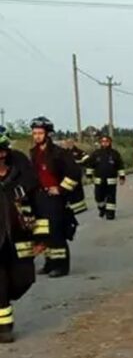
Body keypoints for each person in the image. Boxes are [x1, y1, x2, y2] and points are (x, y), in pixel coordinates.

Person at [0, 126, 39, 342]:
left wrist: (43, 237)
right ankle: (4, 328)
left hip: (20, 237)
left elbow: (37, 199)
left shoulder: (21, 170)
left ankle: (6, 297)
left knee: (23, 279)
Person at [29, 117, 81, 278]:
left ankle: (61, 266)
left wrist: (60, 189)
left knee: (56, 232)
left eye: (40, 133)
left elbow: (74, 174)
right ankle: (49, 263)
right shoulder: (33, 153)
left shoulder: (59, 153)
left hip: (54, 199)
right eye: (34, 133)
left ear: (48, 134)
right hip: (39, 197)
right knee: (43, 232)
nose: (37, 136)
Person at [86, 134, 126, 219]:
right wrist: (89, 176)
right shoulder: (96, 154)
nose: (105, 143)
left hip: (111, 180)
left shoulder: (115, 154)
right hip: (99, 180)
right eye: (103, 142)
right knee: (98, 197)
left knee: (111, 197)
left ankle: (110, 213)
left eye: (106, 141)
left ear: (110, 142)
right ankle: (102, 208)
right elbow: (90, 165)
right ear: (100, 143)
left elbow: (120, 166)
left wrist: (122, 177)